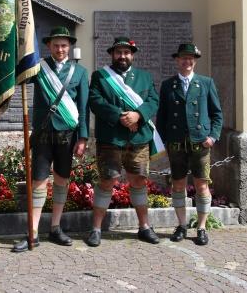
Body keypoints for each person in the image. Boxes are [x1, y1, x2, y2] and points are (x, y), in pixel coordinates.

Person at [12, 26, 89, 252]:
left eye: (64, 45)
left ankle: (55, 227)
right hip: (43, 134)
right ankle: (33, 232)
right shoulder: (39, 68)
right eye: (56, 45)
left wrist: (83, 138)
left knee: (61, 181)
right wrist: (20, 51)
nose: (60, 49)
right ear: (48, 46)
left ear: (69, 46)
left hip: (67, 135)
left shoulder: (80, 72)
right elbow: (19, 76)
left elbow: (83, 108)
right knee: (38, 181)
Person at [85, 37, 160, 247]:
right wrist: (121, 116)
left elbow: (153, 100)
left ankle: (144, 227)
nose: (122, 56)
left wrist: (138, 115)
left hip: (138, 140)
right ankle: (96, 229)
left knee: (139, 181)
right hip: (111, 140)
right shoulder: (100, 76)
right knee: (107, 181)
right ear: (112, 54)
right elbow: (95, 101)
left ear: (132, 55)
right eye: (118, 52)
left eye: (126, 52)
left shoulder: (144, 77)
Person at [155, 43, 222, 246]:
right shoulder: (168, 85)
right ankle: (182, 225)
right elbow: (162, 116)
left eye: (191, 58)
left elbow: (217, 114)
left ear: (195, 61)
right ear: (177, 60)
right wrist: (164, 141)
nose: (187, 61)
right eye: (183, 58)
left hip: (200, 142)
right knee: (178, 184)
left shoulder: (206, 83)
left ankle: (201, 227)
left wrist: (213, 137)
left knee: (202, 184)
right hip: (176, 143)